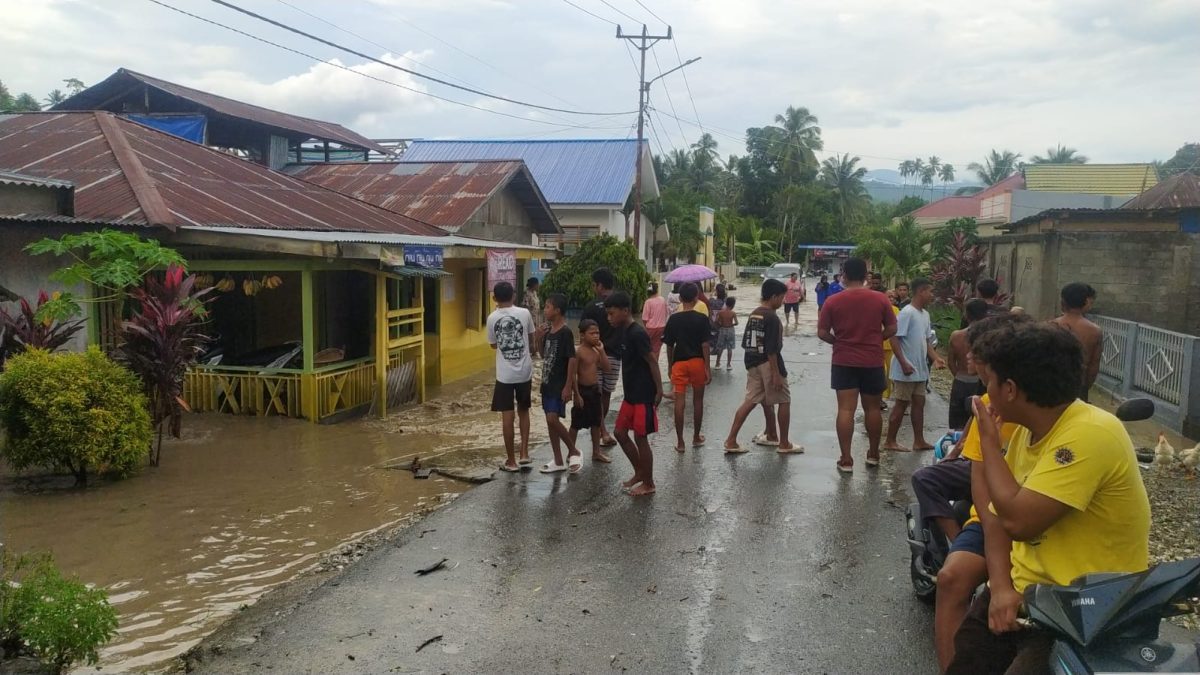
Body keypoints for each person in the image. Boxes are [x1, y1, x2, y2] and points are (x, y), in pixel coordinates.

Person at [948, 321, 1150, 675]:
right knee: (969, 652)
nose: (985, 392)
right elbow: (995, 519)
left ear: (1010, 389)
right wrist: (1001, 588)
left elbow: (1018, 522)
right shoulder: (1030, 433)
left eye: (989, 382)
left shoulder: (1090, 433)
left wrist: (990, 445)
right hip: (1029, 594)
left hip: (1083, 608)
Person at [930, 313, 1027, 672]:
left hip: (1029, 517)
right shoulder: (988, 405)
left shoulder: (1040, 411)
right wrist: (990, 529)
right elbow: (979, 481)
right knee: (951, 578)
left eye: (983, 365)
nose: (972, 364)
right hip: (990, 517)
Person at [817, 258, 897, 472]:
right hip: (872, 360)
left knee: (845, 409)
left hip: (844, 361)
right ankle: (873, 454)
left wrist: (838, 342)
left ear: (844, 275)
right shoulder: (880, 299)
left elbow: (822, 332)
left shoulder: (833, 301)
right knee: (873, 409)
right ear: (865, 275)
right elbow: (892, 328)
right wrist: (876, 339)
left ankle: (846, 459)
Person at [723, 279, 799, 454]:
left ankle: (732, 440)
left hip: (752, 361)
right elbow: (772, 350)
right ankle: (784, 443)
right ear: (773, 297)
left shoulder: (754, 313)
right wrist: (776, 374)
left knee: (750, 401)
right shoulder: (772, 318)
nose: (783, 301)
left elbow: (747, 342)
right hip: (768, 363)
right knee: (784, 400)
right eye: (782, 297)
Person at [605, 292, 663, 497]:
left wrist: (659, 389)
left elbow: (652, 361)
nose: (609, 318)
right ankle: (640, 472)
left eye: (612, 313)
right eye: (608, 314)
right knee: (620, 433)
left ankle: (649, 483)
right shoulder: (622, 331)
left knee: (641, 437)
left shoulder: (637, 333)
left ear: (625, 311)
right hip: (630, 394)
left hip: (643, 394)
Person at [884, 278, 946, 452]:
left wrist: (935, 358)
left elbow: (926, 341)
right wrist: (903, 362)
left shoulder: (925, 314)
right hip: (906, 369)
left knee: (919, 403)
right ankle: (890, 441)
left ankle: (919, 440)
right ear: (921, 292)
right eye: (930, 291)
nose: (932, 295)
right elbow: (894, 338)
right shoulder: (907, 313)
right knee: (901, 404)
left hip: (920, 369)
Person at [486, 281, 536, 472]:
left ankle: (511, 461)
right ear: (514, 296)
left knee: (507, 416)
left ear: (494, 298)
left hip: (504, 376)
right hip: (524, 372)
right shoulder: (525, 313)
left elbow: (493, 345)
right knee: (524, 411)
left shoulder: (492, 318)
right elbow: (532, 340)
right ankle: (524, 453)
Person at [663, 283, 712, 452]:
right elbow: (705, 345)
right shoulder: (702, 319)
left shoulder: (674, 319)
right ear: (696, 297)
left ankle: (680, 442)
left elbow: (669, 345)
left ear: (680, 298)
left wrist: (670, 365)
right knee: (698, 401)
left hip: (679, 363)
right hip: (697, 362)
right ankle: (696, 437)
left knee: (679, 402)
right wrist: (707, 368)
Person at [536, 293, 582, 474]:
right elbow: (543, 355)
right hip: (547, 382)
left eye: (548, 307)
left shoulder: (565, 333)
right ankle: (558, 460)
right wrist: (538, 338)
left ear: (557, 310)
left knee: (552, 419)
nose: (545, 310)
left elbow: (572, 359)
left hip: (558, 383)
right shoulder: (549, 332)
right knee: (550, 423)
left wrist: (568, 385)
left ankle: (574, 450)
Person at [580, 268, 620, 448]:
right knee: (606, 394)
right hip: (615, 355)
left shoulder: (591, 306)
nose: (593, 288)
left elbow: (582, 331)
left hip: (594, 355)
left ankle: (600, 430)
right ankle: (602, 431)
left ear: (600, 285)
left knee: (597, 394)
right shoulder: (620, 304)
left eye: (594, 285)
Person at [570, 319, 612, 464]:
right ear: (582, 335)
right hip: (582, 391)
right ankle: (571, 451)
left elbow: (607, 368)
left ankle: (596, 452)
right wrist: (576, 394)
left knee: (596, 422)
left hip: (595, 390)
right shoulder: (578, 352)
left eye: (597, 333)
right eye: (592, 333)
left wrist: (602, 351)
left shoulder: (596, 350)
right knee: (575, 423)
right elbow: (573, 374)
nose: (596, 336)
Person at [1052, 282, 1101, 403]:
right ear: (1086, 302)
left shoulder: (1050, 326)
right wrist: (1085, 387)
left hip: (1051, 383)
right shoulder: (1094, 331)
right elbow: (1094, 365)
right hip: (1078, 385)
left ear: (1062, 302)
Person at [947, 299, 990, 430]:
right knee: (979, 422)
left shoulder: (956, 336)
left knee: (957, 425)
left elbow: (951, 362)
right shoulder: (989, 337)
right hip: (979, 383)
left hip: (960, 381)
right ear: (985, 314)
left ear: (966, 314)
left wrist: (958, 376)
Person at [641, 282, 669, 362]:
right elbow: (666, 313)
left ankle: (648, 364)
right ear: (657, 289)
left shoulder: (648, 302)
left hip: (651, 328)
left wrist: (646, 327)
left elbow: (644, 318)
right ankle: (655, 364)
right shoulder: (662, 300)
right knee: (657, 349)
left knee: (647, 348)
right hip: (662, 328)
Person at [714, 297, 738, 370]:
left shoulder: (720, 312)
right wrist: (732, 324)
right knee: (729, 348)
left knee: (720, 347)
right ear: (733, 305)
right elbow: (736, 323)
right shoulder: (733, 313)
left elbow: (716, 321)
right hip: (730, 330)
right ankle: (728, 364)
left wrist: (721, 324)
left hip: (722, 329)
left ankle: (717, 363)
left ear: (726, 303)